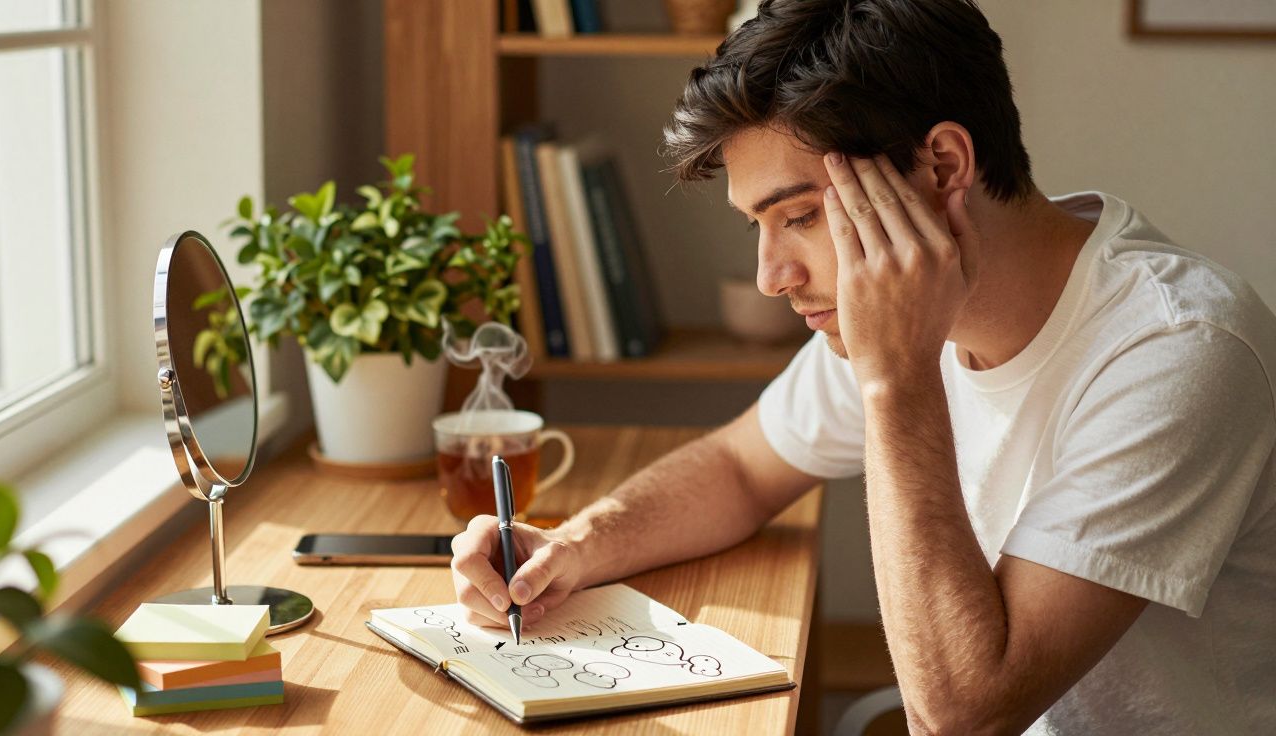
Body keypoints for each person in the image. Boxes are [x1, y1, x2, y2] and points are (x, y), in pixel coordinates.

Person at [451, 0, 1276, 732]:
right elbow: (741, 468)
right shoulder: (904, 298)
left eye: (800, 216)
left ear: (943, 167)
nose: (772, 275)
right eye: (757, 227)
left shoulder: (1180, 350)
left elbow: (962, 715)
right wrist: (571, 546)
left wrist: (896, 376)